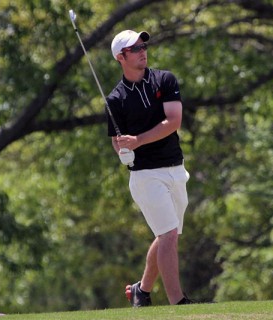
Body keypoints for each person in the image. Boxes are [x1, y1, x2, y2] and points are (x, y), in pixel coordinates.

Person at [106, 29, 193, 307]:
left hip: (176, 168)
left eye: (144, 45)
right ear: (121, 57)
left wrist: (138, 141)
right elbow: (116, 143)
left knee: (169, 235)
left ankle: (141, 290)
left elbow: (174, 121)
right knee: (168, 234)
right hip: (145, 175)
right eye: (135, 48)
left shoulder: (164, 79)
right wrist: (123, 150)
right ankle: (177, 302)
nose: (143, 50)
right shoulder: (115, 99)